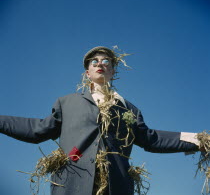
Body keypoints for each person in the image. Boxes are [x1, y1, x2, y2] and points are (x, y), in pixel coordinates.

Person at [0, 46, 201, 195]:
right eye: (94, 61)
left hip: (117, 187)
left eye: (106, 62)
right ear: (87, 73)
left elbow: (152, 139)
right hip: (72, 184)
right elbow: (38, 130)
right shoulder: (67, 102)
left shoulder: (129, 109)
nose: (100, 64)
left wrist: (198, 139)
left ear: (113, 72)